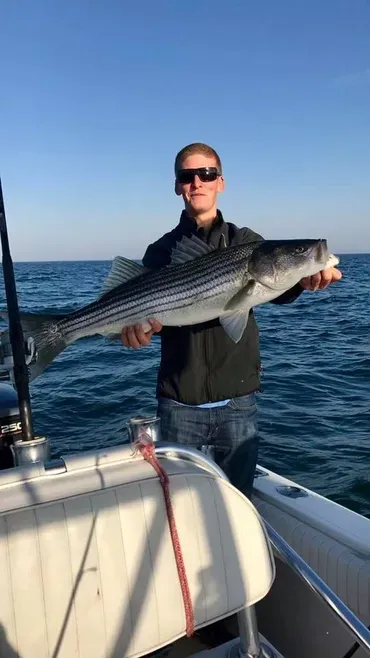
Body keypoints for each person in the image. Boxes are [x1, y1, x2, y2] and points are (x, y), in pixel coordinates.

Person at [121, 143, 342, 497]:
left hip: (239, 404)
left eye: (207, 174)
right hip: (179, 404)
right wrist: (130, 335)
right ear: (178, 185)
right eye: (187, 176)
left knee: (239, 501)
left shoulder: (247, 242)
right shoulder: (160, 251)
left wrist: (304, 278)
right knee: (179, 505)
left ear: (220, 182)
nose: (198, 182)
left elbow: (279, 289)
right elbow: (135, 322)